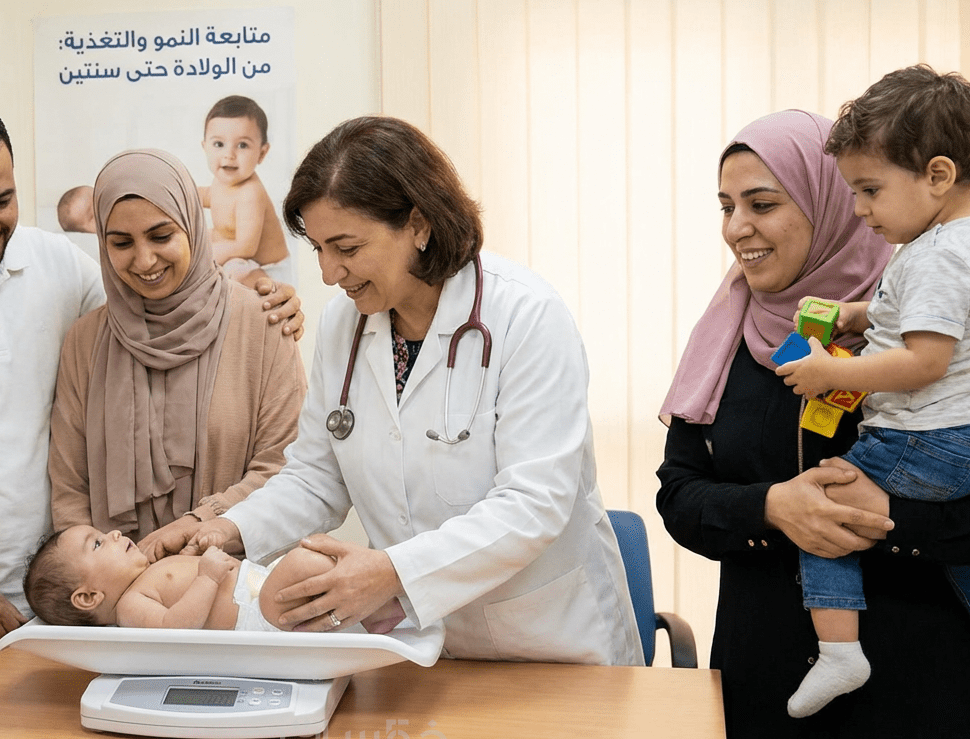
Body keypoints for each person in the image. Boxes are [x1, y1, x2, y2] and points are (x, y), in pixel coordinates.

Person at [656, 108, 970, 739]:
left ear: (833, 204)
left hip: (922, 701)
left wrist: (893, 520)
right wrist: (772, 508)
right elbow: (679, 494)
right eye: (727, 207)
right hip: (764, 697)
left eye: (762, 204)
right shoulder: (722, 340)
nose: (737, 228)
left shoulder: (928, 322)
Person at [0, 97, 303, 643]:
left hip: (71, 613)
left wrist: (255, 290)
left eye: (2, 200)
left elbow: (152, 309)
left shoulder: (58, 266)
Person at [163, 115, 643, 665]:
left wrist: (392, 572)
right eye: (318, 248)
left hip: (549, 643)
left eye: (346, 247)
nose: (329, 273)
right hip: (418, 646)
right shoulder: (344, 325)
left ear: (418, 224)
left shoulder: (526, 317)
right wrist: (229, 529)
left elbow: (534, 503)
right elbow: (317, 477)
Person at [771, 66, 970, 739]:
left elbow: (925, 361)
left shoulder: (934, 259)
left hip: (930, 441)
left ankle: (841, 652)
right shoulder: (966, 240)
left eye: (870, 190)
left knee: (823, 505)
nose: (859, 210)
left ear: (937, 175)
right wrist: (861, 315)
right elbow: (921, 319)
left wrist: (830, 371)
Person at [48, 148, 306, 561]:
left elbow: (285, 467)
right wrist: (109, 580)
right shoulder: (86, 341)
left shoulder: (264, 322)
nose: (144, 260)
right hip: (118, 593)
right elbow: (70, 489)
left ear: (192, 225)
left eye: (161, 236)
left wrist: (204, 524)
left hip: (235, 583)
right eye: (121, 242)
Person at [24, 524, 363, 633]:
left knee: (319, 550)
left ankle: (375, 610)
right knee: (306, 561)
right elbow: (176, 628)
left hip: (261, 585)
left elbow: (183, 582)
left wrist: (200, 550)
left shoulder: (146, 575)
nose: (112, 533)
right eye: (97, 543)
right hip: (257, 613)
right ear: (88, 597)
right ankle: (375, 609)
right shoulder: (129, 607)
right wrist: (208, 577)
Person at [197, 95, 291, 288]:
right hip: (240, 255)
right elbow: (208, 196)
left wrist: (206, 254)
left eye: (242, 145)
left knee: (233, 271)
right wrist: (179, 194)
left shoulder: (250, 193)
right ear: (205, 147)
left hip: (267, 269)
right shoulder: (222, 181)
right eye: (219, 144)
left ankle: (267, 295)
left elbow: (245, 247)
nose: (229, 154)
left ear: (262, 153)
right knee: (193, 237)